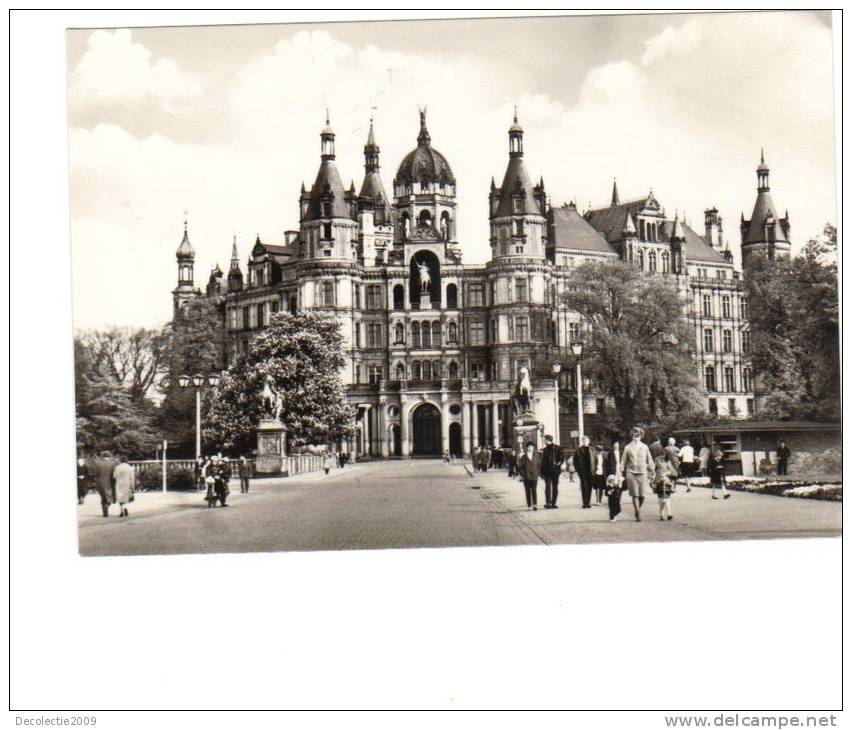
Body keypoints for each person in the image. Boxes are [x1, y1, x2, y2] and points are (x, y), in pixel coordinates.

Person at [620, 427, 655, 522]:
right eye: (634, 436)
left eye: (638, 436)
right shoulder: (627, 447)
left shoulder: (645, 447)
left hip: (643, 472)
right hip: (631, 473)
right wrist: (621, 471)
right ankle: (638, 513)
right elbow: (623, 460)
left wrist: (652, 469)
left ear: (641, 436)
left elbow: (650, 459)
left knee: (642, 495)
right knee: (635, 494)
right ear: (632, 436)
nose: (636, 438)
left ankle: (637, 509)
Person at [516, 441, 542, 511]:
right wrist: (523, 474)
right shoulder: (524, 457)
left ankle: (535, 505)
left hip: (534, 476)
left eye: (532, 447)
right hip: (526, 477)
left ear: (533, 448)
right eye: (530, 447)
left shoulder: (536, 456)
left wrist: (538, 473)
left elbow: (539, 465)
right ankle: (529, 505)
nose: (531, 448)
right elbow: (520, 467)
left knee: (534, 490)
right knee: (527, 491)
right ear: (527, 448)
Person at [540, 434, 564, 509]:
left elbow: (561, 458)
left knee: (555, 487)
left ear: (548, 440)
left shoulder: (558, 448)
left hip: (555, 471)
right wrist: (542, 472)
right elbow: (543, 462)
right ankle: (548, 503)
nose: (544, 441)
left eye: (545, 439)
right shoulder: (544, 450)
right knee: (547, 487)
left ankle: (553, 503)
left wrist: (558, 465)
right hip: (547, 472)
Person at [572, 435, 595, 509]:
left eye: (586, 440)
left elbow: (596, 460)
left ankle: (588, 502)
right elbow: (575, 461)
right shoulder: (578, 450)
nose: (585, 442)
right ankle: (585, 503)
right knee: (584, 487)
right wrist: (578, 469)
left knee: (589, 487)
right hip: (583, 472)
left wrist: (595, 468)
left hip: (590, 471)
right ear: (582, 441)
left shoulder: (592, 449)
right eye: (583, 440)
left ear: (589, 441)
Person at [94, 450, 118, 518]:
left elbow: (95, 473)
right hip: (109, 482)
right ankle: (107, 507)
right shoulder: (113, 463)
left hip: (100, 482)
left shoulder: (98, 463)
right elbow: (115, 473)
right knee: (109, 496)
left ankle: (105, 511)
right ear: (109, 456)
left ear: (103, 456)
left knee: (103, 496)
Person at [654, 453, 676, 521]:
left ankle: (668, 514)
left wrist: (666, 473)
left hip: (666, 482)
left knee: (667, 498)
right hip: (659, 481)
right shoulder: (656, 460)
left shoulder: (668, 461)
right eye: (661, 457)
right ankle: (662, 514)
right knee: (661, 499)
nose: (662, 459)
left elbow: (671, 471)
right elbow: (652, 469)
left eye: (664, 457)